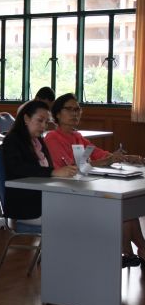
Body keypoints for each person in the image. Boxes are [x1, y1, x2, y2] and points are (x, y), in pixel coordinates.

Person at [45, 93, 145, 267]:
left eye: (77, 109)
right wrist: (103, 162)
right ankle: (133, 250)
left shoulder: (77, 136)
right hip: (65, 195)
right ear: (58, 114)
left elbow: (100, 154)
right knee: (121, 208)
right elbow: (71, 168)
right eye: (70, 109)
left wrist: (127, 158)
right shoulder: (52, 138)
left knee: (127, 207)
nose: (75, 113)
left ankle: (133, 251)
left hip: (84, 189)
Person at [2, 100, 77, 221]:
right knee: (71, 215)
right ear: (26, 119)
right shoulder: (12, 140)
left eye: (46, 122)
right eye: (40, 120)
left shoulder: (38, 140)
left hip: (43, 197)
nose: (44, 126)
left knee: (76, 208)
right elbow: (18, 168)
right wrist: (53, 172)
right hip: (25, 203)